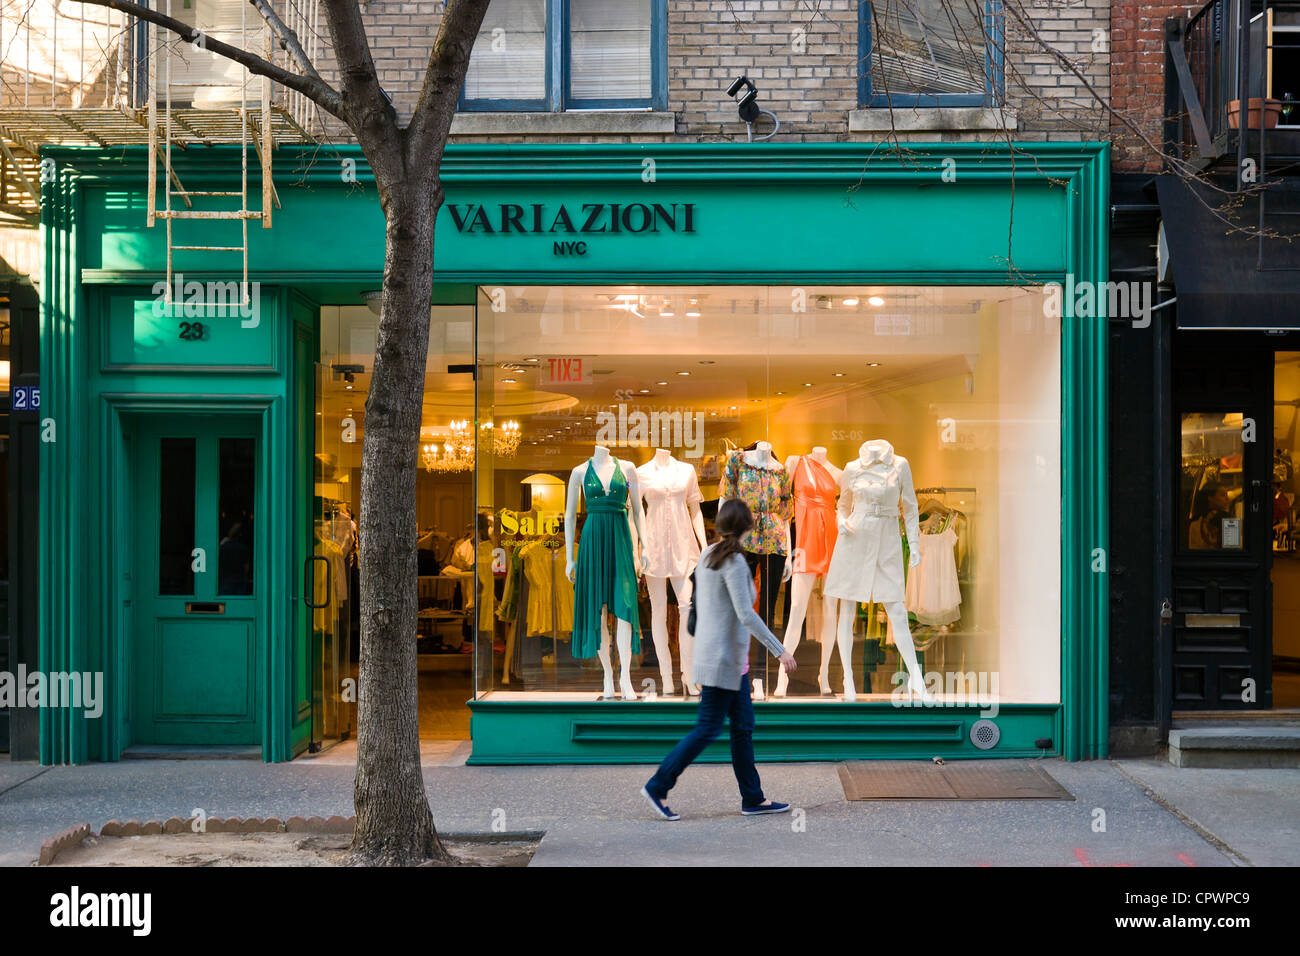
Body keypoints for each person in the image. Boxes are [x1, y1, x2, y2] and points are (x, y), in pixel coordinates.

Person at [641, 498, 798, 820]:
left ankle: (753, 798)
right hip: (723, 662)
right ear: (748, 528)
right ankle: (658, 786)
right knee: (707, 729)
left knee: (743, 728)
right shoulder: (735, 562)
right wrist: (779, 650)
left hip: (725, 660)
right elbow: (746, 615)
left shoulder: (708, 555)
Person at [1189, 481, 1231, 549]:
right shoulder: (1195, 525)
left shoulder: (1229, 520)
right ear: (1210, 498)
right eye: (1223, 495)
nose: (1227, 499)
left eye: (1227, 495)